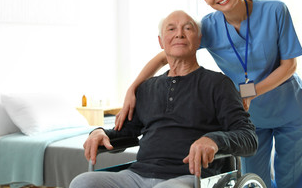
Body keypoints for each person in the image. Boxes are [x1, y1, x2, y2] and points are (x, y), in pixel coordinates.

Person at [115, 0, 302, 188]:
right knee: (256, 180)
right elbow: (167, 54)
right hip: (249, 116)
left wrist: (252, 92)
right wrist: (132, 88)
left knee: (290, 179)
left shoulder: (275, 10)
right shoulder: (209, 27)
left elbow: (289, 65)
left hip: (288, 108)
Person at [70, 10, 257, 188]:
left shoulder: (218, 84)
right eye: (171, 29)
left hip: (191, 177)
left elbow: (248, 138)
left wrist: (214, 140)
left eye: (188, 28)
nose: (179, 34)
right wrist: (100, 132)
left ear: (199, 40)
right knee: (83, 182)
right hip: (137, 175)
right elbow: (126, 132)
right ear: (161, 42)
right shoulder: (146, 88)